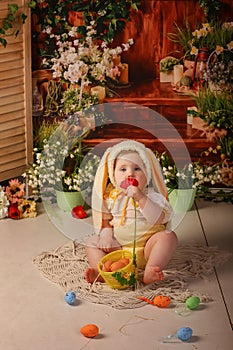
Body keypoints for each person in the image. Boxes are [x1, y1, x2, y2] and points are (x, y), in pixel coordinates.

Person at [85, 140, 178, 285]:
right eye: (123, 169)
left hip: (148, 247)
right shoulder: (111, 198)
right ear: (113, 174)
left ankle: (151, 268)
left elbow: (158, 220)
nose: (130, 173)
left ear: (147, 173)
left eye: (137, 169)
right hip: (121, 249)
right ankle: (101, 271)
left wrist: (140, 197)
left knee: (168, 237)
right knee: (91, 241)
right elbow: (106, 222)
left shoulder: (153, 196)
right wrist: (106, 236)